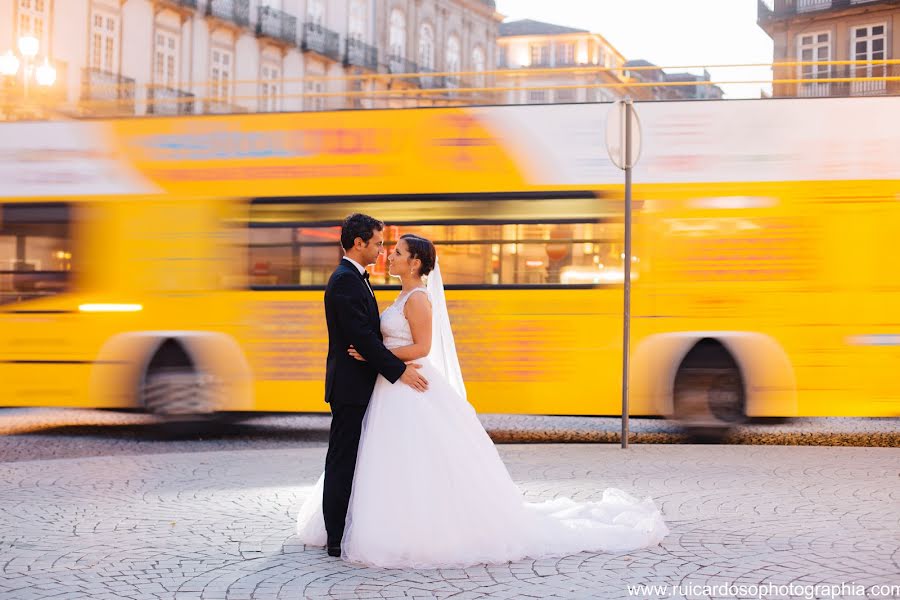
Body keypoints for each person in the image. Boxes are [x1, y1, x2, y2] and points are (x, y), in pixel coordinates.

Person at [298, 230, 669, 568]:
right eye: (387, 248)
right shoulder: (400, 295)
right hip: (391, 385)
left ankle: (410, 528)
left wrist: (382, 357)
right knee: (386, 458)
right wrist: (381, 356)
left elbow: (422, 347)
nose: (389, 256)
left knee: (409, 458)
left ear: (414, 262)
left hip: (406, 383)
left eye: (397, 252)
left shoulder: (417, 300)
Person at [319, 214, 429, 559]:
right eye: (379, 244)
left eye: (389, 247)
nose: (383, 251)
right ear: (358, 243)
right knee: (342, 459)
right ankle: (336, 537)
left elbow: (371, 340)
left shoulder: (356, 278)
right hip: (350, 388)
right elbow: (362, 339)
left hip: (362, 385)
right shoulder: (345, 281)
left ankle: (351, 527)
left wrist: (391, 366)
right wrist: (399, 370)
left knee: (358, 459)